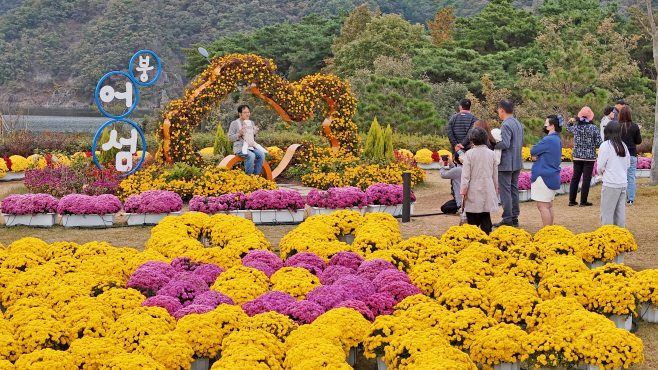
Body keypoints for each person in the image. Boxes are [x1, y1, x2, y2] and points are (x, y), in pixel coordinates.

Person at [460, 127, 499, 234]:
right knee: (485, 214)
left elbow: (466, 175)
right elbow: (495, 173)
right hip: (488, 185)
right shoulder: (491, 153)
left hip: (473, 186)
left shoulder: (469, 154)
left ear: (472, 139)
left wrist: (463, 190)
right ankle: (486, 236)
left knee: (472, 214)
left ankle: (474, 238)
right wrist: (495, 187)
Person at [493, 99, 524, 228]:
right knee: (514, 189)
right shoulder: (518, 123)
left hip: (506, 163)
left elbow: (505, 143)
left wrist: (491, 144)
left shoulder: (506, 124)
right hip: (517, 161)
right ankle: (514, 217)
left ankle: (507, 218)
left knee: (505, 192)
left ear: (502, 110)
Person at [530, 115, 563, 226]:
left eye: (546, 123)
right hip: (552, 175)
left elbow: (533, 150)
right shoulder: (556, 139)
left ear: (551, 126)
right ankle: (550, 230)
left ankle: (546, 231)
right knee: (548, 206)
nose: (544, 125)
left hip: (543, 176)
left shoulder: (548, 139)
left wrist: (535, 155)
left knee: (542, 206)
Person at [566, 106, 602, 207]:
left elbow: (568, 129)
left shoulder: (576, 127)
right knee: (586, 179)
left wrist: (570, 121)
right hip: (589, 157)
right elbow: (599, 143)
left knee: (575, 178)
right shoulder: (593, 127)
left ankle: (571, 200)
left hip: (577, 155)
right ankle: (583, 201)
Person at [597, 121, 630, 227]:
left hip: (610, 183)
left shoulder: (606, 146)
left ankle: (608, 237)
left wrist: (602, 173)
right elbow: (628, 164)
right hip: (622, 182)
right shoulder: (623, 145)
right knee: (620, 213)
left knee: (607, 212)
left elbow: (601, 166)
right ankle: (620, 235)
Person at [228, 105, 265, 176]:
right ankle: (248, 178)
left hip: (250, 147)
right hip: (239, 148)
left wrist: (255, 134)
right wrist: (239, 134)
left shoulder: (251, 123)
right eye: (245, 113)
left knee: (261, 155)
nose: (247, 114)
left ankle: (255, 176)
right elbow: (230, 138)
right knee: (251, 156)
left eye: (248, 112)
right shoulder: (234, 123)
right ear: (240, 113)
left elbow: (254, 138)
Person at [617, 106, 642, 206]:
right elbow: (638, 141)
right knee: (631, 177)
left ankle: (618, 198)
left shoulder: (616, 126)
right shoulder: (635, 126)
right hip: (631, 154)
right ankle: (630, 199)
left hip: (619, 154)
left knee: (618, 176)